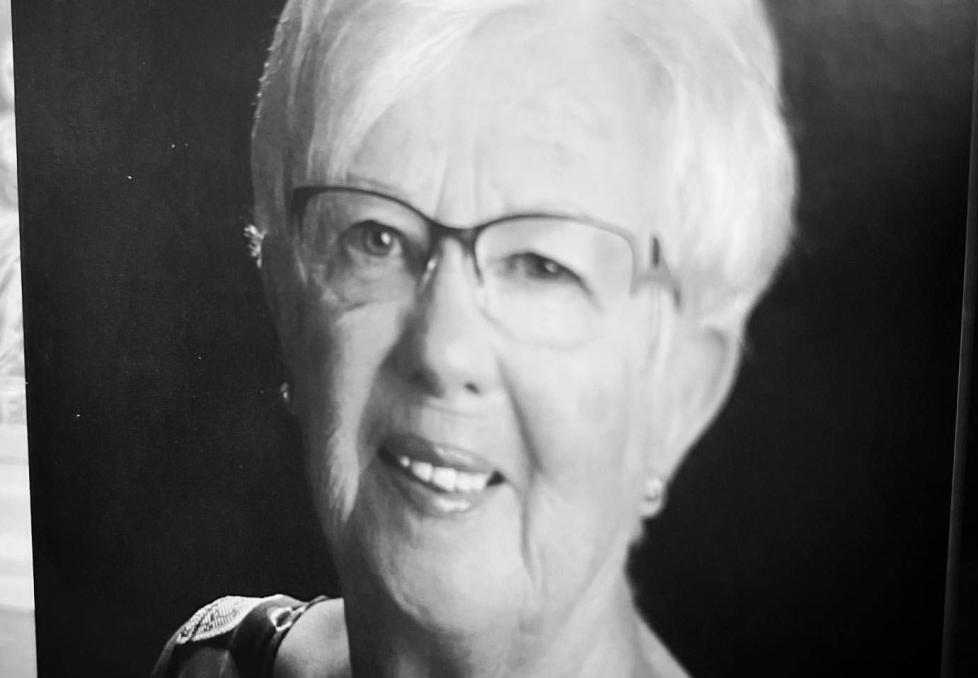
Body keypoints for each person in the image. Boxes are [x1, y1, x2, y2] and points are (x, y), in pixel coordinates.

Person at [153, 0, 796, 675]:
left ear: (680, 393)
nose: (442, 350)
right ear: (284, 296)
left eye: (542, 267)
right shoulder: (211, 664)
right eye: (377, 239)